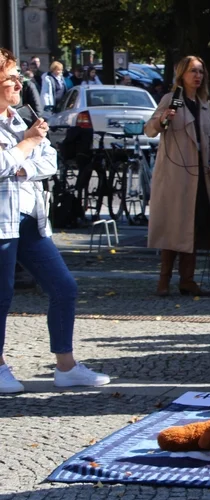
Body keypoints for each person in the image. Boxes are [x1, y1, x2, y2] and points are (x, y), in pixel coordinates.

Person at [0, 48, 110, 394]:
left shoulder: (18, 120)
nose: (20, 83)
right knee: (1, 296)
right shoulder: (24, 130)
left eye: (19, 76)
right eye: (11, 78)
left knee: (64, 287)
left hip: (30, 217)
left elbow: (50, 161)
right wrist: (27, 146)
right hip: (2, 221)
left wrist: (23, 161)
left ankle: (66, 366)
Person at [144, 55, 210, 298]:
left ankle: (187, 280)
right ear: (182, 74)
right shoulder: (172, 100)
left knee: (193, 226)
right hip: (175, 176)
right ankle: (164, 280)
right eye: (193, 71)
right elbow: (149, 129)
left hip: (199, 175)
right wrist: (162, 119)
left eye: (201, 71)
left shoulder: (202, 103)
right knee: (174, 228)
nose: (198, 76)